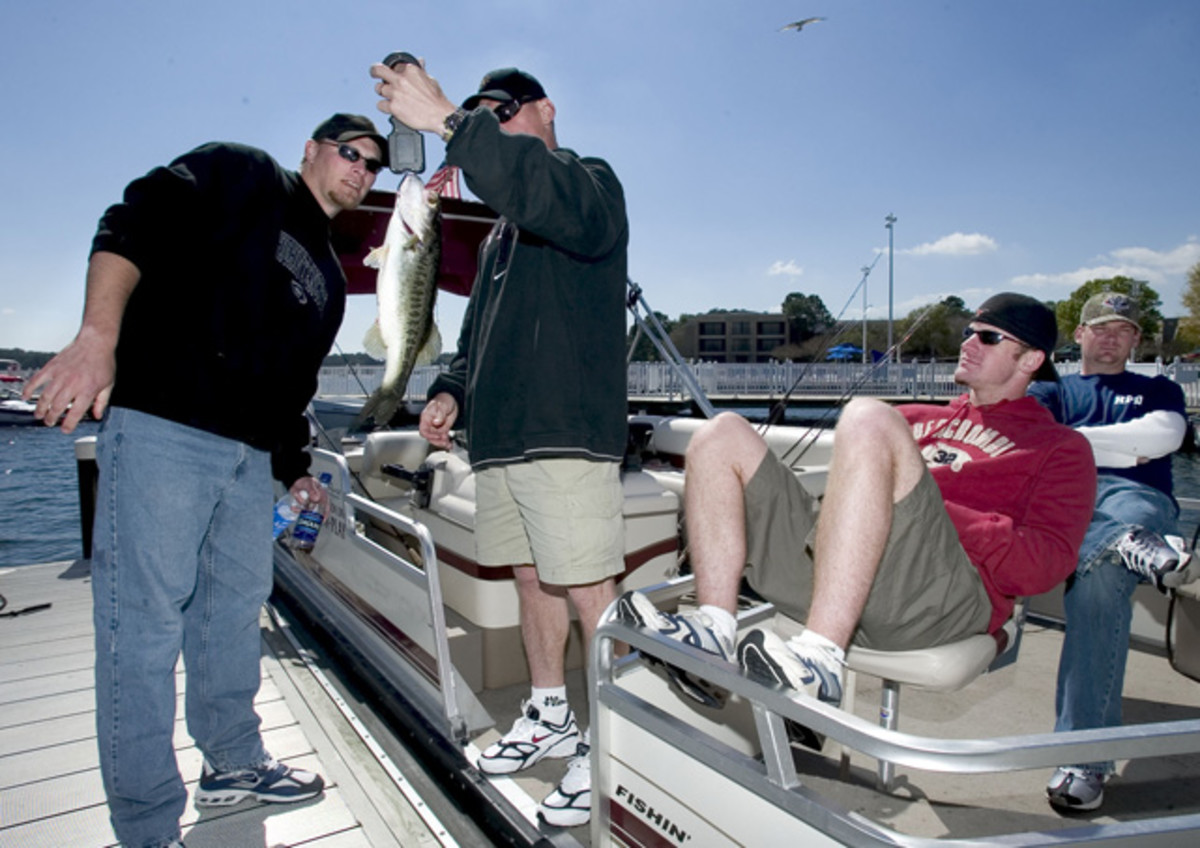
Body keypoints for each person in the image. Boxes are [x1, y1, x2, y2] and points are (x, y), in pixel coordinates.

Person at [24, 113, 387, 848]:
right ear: (311, 150)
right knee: (143, 634)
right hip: (166, 429)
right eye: (348, 152)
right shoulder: (242, 172)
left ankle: (233, 766)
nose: (360, 169)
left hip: (251, 462)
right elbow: (130, 223)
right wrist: (98, 336)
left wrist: (294, 471)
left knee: (229, 621)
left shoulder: (329, 278)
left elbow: (291, 383)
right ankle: (148, 828)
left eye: (373, 164)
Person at [615, 294, 1097, 728]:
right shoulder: (915, 418)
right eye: (969, 332)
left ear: (1031, 359)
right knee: (720, 432)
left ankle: (820, 660)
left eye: (989, 337)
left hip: (938, 599)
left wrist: (934, 511)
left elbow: (1047, 565)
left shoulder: (1060, 447)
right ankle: (713, 630)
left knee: (867, 414)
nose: (969, 342)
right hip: (842, 576)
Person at [370, 62, 628, 827]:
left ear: (547, 110)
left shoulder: (587, 184)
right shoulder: (500, 241)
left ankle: (613, 743)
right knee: (529, 576)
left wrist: (451, 119)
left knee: (585, 584)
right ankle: (550, 712)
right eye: (484, 113)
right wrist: (452, 388)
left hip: (564, 431)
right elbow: (476, 334)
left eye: (504, 109)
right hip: (501, 438)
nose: (493, 121)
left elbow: (542, 192)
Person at [1029, 291, 1195, 812]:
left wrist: (1068, 440)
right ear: (1078, 335)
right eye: (1099, 327)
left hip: (1136, 500)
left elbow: (1164, 437)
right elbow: (1031, 442)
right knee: (1107, 560)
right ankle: (1123, 545)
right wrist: (1122, 444)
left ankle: (1083, 759)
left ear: (1135, 340)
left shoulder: (1157, 389)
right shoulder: (1051, 390)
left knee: (1099, 575)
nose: (1110, 336)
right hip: (1066, 502)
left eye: (1122, 329)